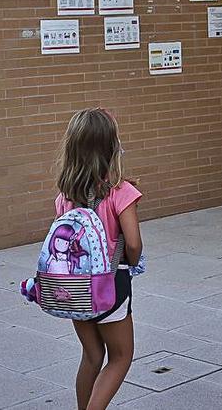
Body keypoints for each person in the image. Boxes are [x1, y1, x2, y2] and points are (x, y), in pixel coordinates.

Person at [55, 108, 143, 410]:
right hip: (109, 285)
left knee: (92, 356)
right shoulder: (121, 192)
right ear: (111, 148)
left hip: (74, 287)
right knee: (120, 356)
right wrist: (132, 261)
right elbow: (133, 244)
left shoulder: (64, 195)